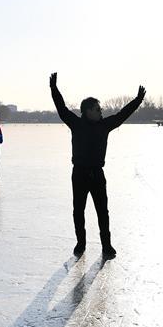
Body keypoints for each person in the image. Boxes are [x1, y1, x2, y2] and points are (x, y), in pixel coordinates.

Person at [50, 72, 145, 259]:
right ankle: (81, 243)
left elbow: (123, 114)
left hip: (97, 174)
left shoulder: (105, 125)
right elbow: (61, 108)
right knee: (79, 209)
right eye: (97, 109)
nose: (101, 111)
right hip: (79, 174)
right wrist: (54, 89)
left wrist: (138, 100)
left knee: (103, 211)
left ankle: (107, 245)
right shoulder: (76, 124)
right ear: (87, 111)